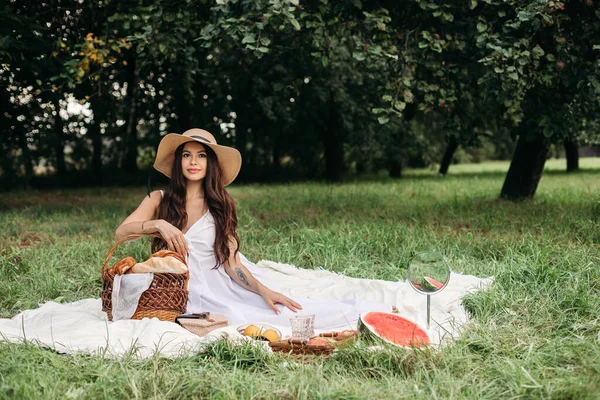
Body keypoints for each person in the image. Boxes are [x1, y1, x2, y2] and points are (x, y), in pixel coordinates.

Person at [115, 128, 391, 330]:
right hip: (173, 291)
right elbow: (121, 232)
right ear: (179, 162)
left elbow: (231, 263)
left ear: (211, 162)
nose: (193, 162)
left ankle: (365, 312)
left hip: (216, 287)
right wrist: (158, 224)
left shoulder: (221, 204)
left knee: (268, 315)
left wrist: (262, 290)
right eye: (186, 155)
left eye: (201, 155)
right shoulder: (159, 199)